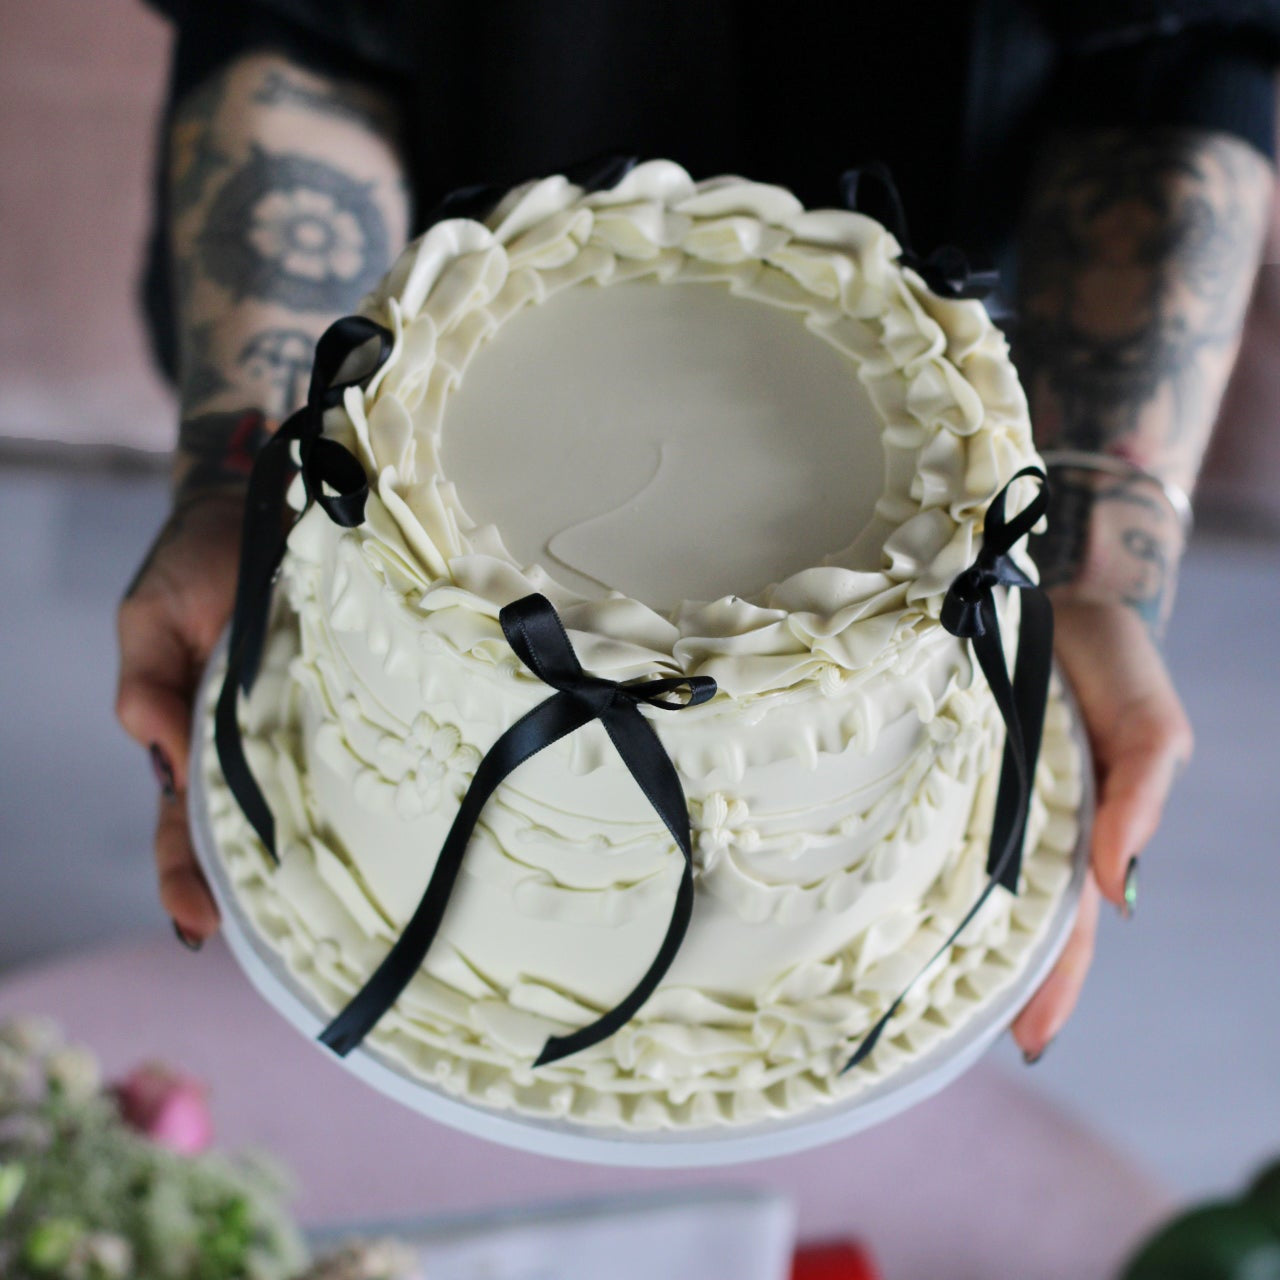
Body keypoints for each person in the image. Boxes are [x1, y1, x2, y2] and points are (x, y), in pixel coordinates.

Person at [115, 0, 1278, 1065]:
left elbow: (1173, 38)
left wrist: (1086, 565)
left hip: (955, 287)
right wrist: (246, 483)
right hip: (430, 309)